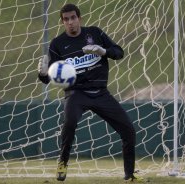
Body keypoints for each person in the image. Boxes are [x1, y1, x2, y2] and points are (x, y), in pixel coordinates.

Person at [38, 3, 144, 182]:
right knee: (70, 123)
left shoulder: (95, 33)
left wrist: (104, 51)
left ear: (80, 18)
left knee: (128, 130)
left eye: (73, 18)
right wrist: (42, 73)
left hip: (101, 93)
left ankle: (129, 175)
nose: (70, 22)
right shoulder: (57, 44)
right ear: (62, 22)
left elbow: (119, 52)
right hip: (76, 93)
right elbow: (49, 79)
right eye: (66, 19)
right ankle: (62, 163)